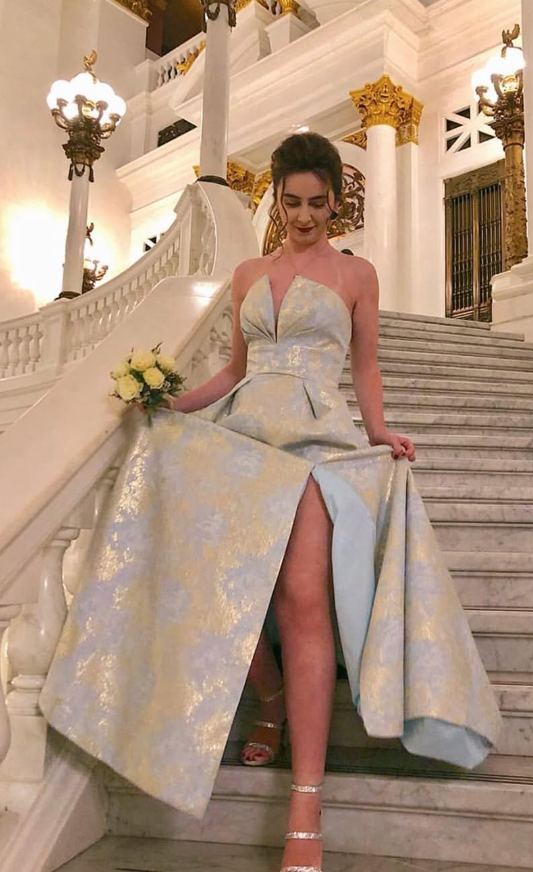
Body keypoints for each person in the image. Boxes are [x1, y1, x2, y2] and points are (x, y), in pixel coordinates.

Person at [39, 133, 502, 872]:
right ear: (277, 198)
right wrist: (171, 404)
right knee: (210, 580)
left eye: (318, 202)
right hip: (240, 435)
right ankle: (271, 699)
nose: (305, 215)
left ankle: (305, 800)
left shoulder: (357, 275)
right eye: (292, 201)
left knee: (300, 598)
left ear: (336, 201)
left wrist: (380, 431)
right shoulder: (249, 272)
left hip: (315, 440)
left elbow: (367, 366)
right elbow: (233, 370)